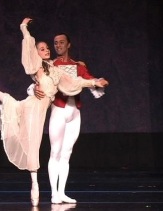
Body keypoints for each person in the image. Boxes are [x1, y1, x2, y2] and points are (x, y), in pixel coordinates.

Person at [0, 18, 108, 207]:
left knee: (63, 150)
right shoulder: (38, 67)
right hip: (39, 107)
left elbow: (74, 82)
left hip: (59, 109)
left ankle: (60, 192)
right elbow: (29, 62)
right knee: (36, 142)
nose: (52, 48)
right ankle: (38, 186)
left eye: (55, 45)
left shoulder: (58, 69)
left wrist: (94, 82)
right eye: (46, 47)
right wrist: (24, 30)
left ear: (69, 44)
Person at [30, 33, 109, 204]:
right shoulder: (50, 65)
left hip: (75, 112)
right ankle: (53, 193)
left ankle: (62, 192)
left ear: (68, 44)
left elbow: (88, 78)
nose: (58, 46)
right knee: (55, 152)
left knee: (66, 153)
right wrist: (34, 90)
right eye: (55, 43)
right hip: (59, 110)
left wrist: (99, 80)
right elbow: (36, 83)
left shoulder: (77, 66)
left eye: (61, 42)